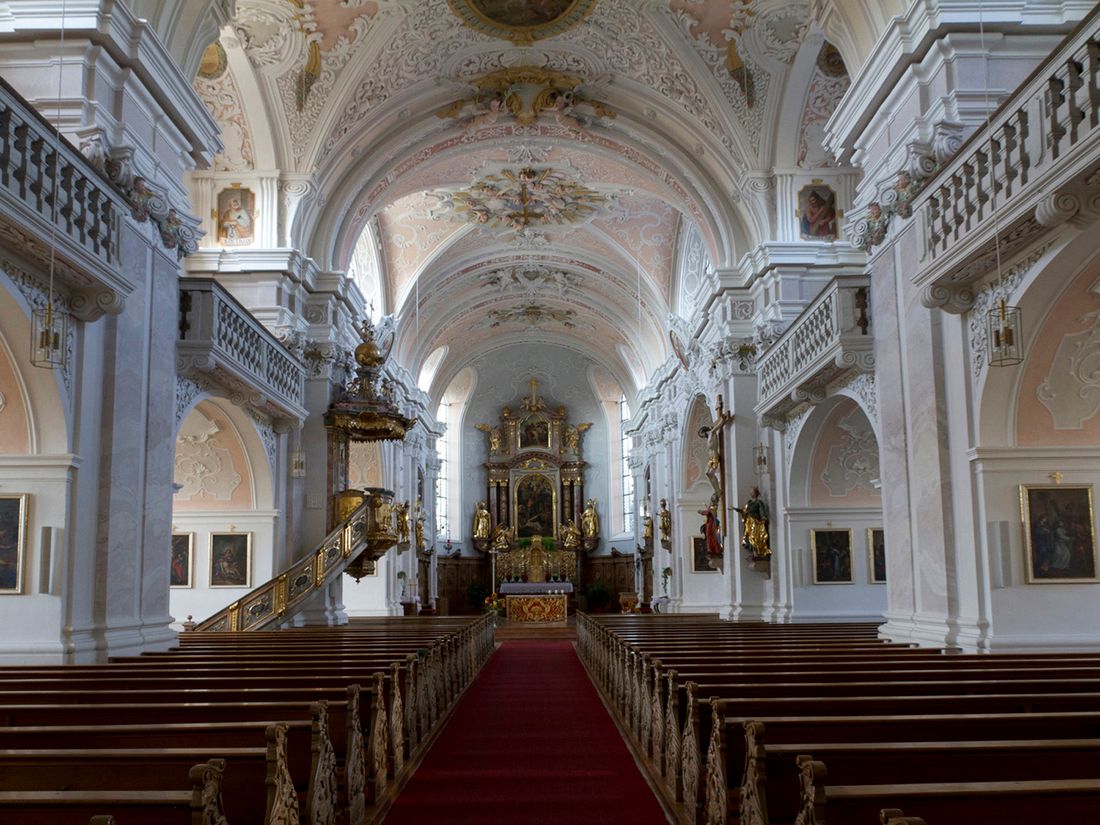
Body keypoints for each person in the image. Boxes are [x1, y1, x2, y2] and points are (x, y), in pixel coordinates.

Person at [733, 486, 771, 558]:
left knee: (754, 537)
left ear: (756, 493)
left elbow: (762, 511)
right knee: (749, 537)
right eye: (751, 492)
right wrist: (736, 509)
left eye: (752, 492)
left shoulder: (758, 502)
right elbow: (744, 510)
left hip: (755, 522)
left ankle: (757, 552)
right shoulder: (749, 503)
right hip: (749, 522)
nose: (751, 493)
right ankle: (753, 552)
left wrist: (763, 517)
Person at [697, 498, 722, 566]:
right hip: (709, 524)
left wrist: (701, 511)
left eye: (713, 499)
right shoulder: (711, 507)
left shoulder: (713, 507)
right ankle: (710, 550)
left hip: (712, 524)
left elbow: (709, 512)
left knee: (713, 537)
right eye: (712, 499)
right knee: (709, 537)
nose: (711, 500)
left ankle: (715, 550)